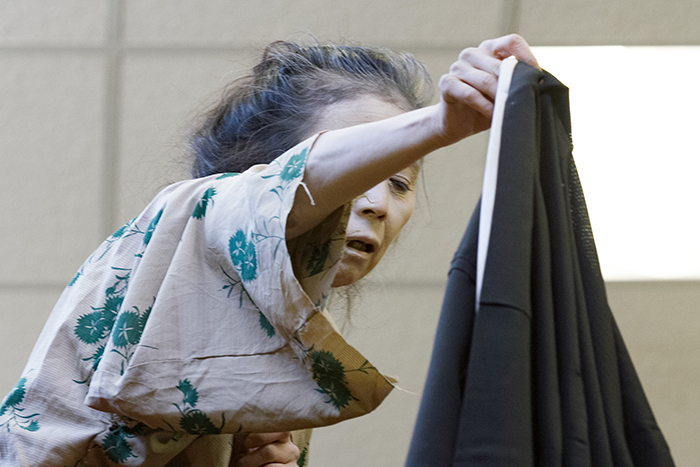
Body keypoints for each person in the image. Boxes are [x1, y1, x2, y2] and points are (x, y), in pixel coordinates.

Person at [0, 34, 538, 466]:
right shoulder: (193, 214)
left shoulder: (287, 354)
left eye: (400, 182)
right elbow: (275, 190)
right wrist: (440, 123)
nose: (378, 201)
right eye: (369, 162)